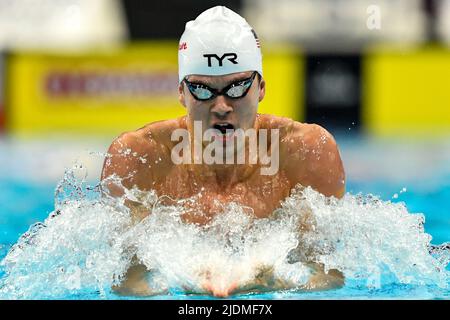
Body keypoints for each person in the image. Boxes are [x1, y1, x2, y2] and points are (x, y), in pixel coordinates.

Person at [101, 6, 345, 297]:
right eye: (203, 90)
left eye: (237, 87)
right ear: (181, 92)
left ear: (261, 88)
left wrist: (273, 280)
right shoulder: (139, 158)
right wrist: (178, 279)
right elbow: (126, 282)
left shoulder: (306, 153)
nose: (221, 107)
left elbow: (328, 277)